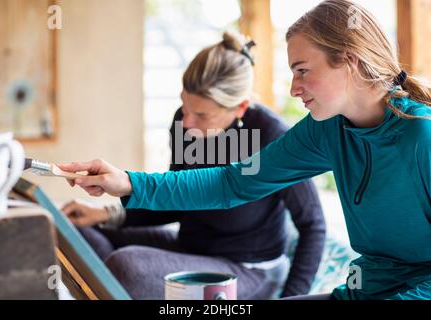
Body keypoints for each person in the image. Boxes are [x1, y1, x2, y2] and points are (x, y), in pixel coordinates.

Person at [60, 0, 431, 300]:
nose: (293, 88)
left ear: (349, 60)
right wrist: (126, 183)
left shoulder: (422, 136)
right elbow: (231, 183)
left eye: (301, 70)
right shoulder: (326, 131)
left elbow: (312, 225)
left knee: (127, 265)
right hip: (366, 288)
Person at [61, 32, 326, 300]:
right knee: (75, 232)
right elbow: (175, 198)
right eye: (184, 106)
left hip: (246, 269)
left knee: (127, 267)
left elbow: (313, 225)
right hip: (189, 248)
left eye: (201, 115)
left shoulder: (273, 137)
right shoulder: (185, 123)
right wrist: (104, 214)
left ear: (240, 107)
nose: (187, 122)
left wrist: (292, 299)